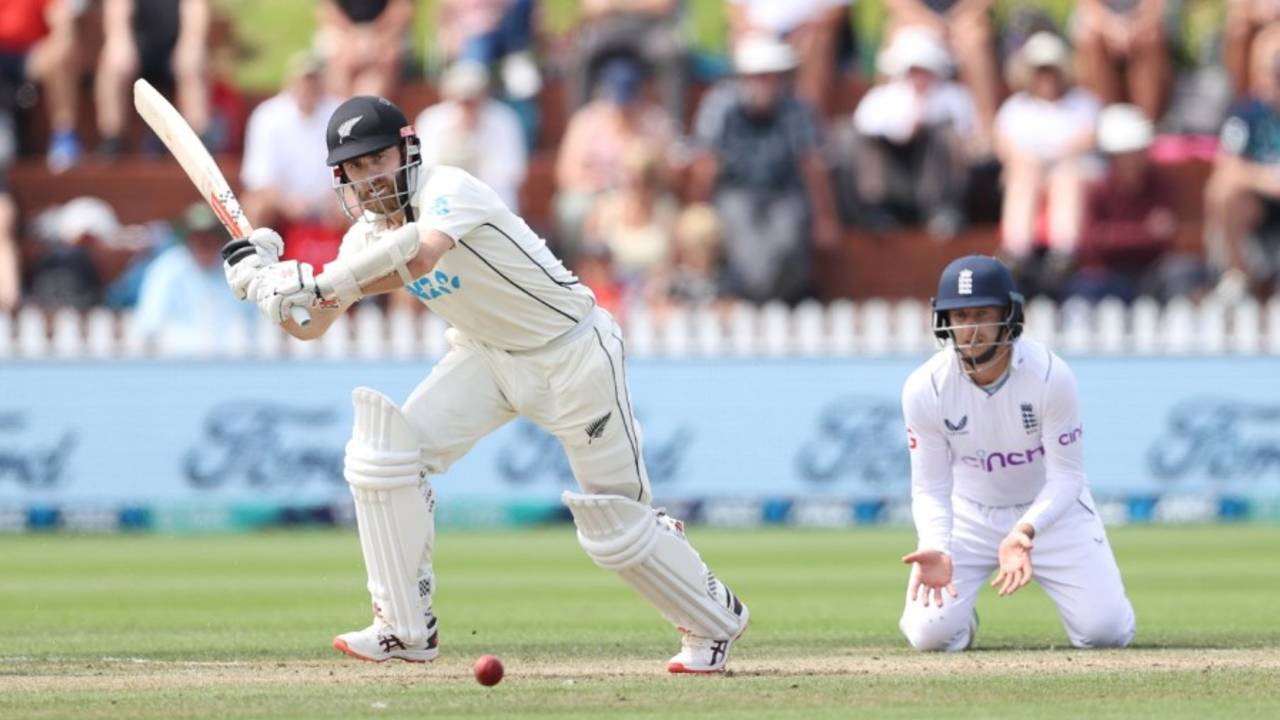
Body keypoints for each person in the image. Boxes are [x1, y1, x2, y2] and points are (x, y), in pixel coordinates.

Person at [228, 95, 749, 672]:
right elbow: (312, 326)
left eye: (378, 160)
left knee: (616, 524)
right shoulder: (363, 238)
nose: (369, 177)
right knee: (384, 456)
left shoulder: (450, 188)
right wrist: (267, 289)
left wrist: (316, 283)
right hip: (485, 357)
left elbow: (419, 257)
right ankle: (404, 628)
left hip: (571, 353)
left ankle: (713, 623)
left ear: (406, 152)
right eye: (354, 168)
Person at [898, 254, 1136, 652]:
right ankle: (960, 620)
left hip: (1051, 514)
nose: (970, 330)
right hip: (969, 515)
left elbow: (1068, 478)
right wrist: (937, 544)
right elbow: (930, 488)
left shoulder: (1049, 375)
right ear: (944, 321)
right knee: (930, 636)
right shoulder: (925, 387)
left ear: (1009, 316)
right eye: (959, 316)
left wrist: (1025, 531)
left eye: (982, 314)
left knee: (1105, 634)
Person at [689, 34, 839, 304]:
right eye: (758, 76)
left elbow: (812, 165)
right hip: (736, 193)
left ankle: (781, 295)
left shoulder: (796, 108)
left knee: (787, 240)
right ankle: (748, 295)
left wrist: (824, 218)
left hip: (784, 193)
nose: (764, 84)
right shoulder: (721, 107)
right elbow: (707, 164)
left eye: (770, 76)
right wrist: (697, 210)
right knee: (750, 254)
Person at [851, 26, 978, 239]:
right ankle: (878, 210)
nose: (920, 76)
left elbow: (970, 138)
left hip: (936, 181)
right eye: (914, 69)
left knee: (946, 134)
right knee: (865, 142)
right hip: (894, 180)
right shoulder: (882, 98)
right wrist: (905, 126)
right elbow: (864, 128)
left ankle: (943, 211)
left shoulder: (954, 97)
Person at [240, 51, 345, 271]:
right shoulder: (268, 115)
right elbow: (259, 179)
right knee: (255, 208)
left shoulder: (338, 112)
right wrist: (287, 202)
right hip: (282, 202)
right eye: (303, 81)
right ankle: (254, 275)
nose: (308, 87)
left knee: (364, 208)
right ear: (290, 82)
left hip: (333, 202)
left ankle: (370, 292)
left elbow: (351, 168)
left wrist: (337, 199)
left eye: (313, 80)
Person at [132, 203, 257, 355]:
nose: (204, 243)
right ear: (188, 239)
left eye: (210, 237)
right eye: (198, 238)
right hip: (178, 363)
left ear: (220, 239)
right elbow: (149, 324)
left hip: (233, 363)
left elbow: (255, 321)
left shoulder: (239, 269)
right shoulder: (167, 269)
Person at [95, 0, 211, 157]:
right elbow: (117, 11)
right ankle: (112, 139)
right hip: (137, 47)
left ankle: (198, 146)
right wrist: (119, 40)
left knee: (191, 63)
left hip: (176, 45)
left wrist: (190, 44)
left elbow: (195, 8)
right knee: (114, 61)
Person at [414, 60, 527, 212]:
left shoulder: (504, 119)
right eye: (460, 98)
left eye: (471, 98)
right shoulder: (431, 120)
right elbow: (424, 168)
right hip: (444, 199)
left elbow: (512, 171)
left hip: (491, 200)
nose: (466, 105)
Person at [0, 0, 80, 172]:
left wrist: (63, 31)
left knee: (60, 55)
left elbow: (59, 11)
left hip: (31, 52)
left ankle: (64, 135)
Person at [315, 0, 414, 99]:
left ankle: (365, 106)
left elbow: (402, 8)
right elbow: (328, 10)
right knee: (339, 63)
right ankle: (344, 106)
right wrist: (353, 40)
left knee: (387, 59)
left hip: (386, 32)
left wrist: (378, 39)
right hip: (344, 32)